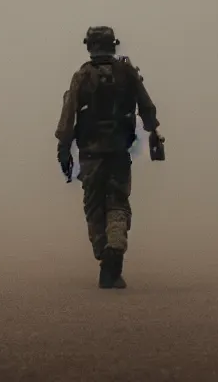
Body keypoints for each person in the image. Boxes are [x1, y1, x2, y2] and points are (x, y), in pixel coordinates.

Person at [55, 26, 163, 289]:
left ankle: (105, 253)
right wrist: (153, 130)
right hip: (117, 151)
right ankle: (115, 249)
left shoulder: (82, 76)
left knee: (93, 206)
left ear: (90, 46)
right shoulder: (126, 73)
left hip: (91, 153)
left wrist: (63, 147)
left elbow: (68, 115)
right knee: (117, 203)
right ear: (112, 45)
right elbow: (146, 107)